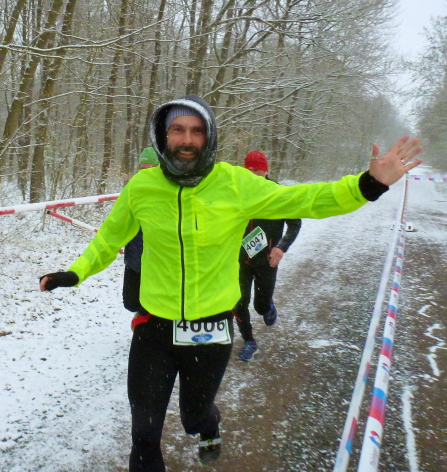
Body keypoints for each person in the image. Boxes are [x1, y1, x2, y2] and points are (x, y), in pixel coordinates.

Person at [39, 95, 422, 471]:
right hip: (154, 326)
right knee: (143, 436)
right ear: (162, 135)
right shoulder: (142, 187)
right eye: (177, 130)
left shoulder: (235, 184)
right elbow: (109, 239)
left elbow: (305, 200)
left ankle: (208, 425)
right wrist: (76, 272)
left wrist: (368, 185)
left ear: (209, 137)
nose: (187, 139)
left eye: (197, 131)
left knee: (193, 416)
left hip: (210, 328)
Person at [234, 151, 301, 361]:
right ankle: (249, 341)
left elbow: (294, 224)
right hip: (238, 260)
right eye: (249, 170)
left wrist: (280, 248)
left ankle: (267, 306)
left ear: (266, 171)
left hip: (267, 261)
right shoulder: (235, 193)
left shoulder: (278, 193)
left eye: (257, 170)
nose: (253, 174)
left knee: (260, 305)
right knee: (238, 302)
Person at [122, 147, 159, 313]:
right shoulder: (133, 191)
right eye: (143, 169)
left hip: (159, 263)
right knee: (131, 303)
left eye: (152, 169)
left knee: (154, 306)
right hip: (134, 260)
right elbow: (120, 222)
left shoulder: (170, 194)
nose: (146, 174)